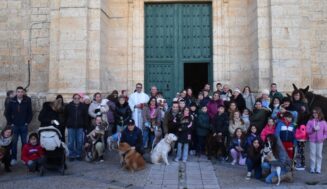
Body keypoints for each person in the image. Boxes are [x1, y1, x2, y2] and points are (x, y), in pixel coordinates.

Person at [5, 86, 33, 165]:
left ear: (23, 93)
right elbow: (7, 113)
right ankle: (14, 158)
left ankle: (24, 158)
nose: (20, 93)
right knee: (14, 142)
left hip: (24, 125)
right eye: (18, 92)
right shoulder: (12, 101)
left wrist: (27, 122)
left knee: (24, 142)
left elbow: (30, 113)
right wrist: (11, 123)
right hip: (15, 126)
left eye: (21, 92)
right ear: (16, 92)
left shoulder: (27, 101)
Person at [65, 94, 88, 161]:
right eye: (75, 98)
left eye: (78, 98)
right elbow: (65, 115)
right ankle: (71, 155)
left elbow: (85, 117)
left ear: (80, 99)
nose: (77, 99)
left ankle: (78, 154)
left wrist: (85, 125)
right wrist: (67, 124)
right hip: (71, 126)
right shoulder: (69, 106)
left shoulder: (83, 106)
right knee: (70, 142)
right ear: (73, 98)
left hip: (80, 126)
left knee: (80, 141)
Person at [306, 107, 327, 174]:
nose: (314, 114)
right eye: (313, 112)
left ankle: (318, 168)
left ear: (319, 113)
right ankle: (312, 168)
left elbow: (326, 132)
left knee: (319, 155)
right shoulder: (310, 121)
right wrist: (313, 129)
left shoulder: (323, 122)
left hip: (320, 141)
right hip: (312, 140)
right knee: (312, 154)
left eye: (316, 112)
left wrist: (323, 138)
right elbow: (307, 131)